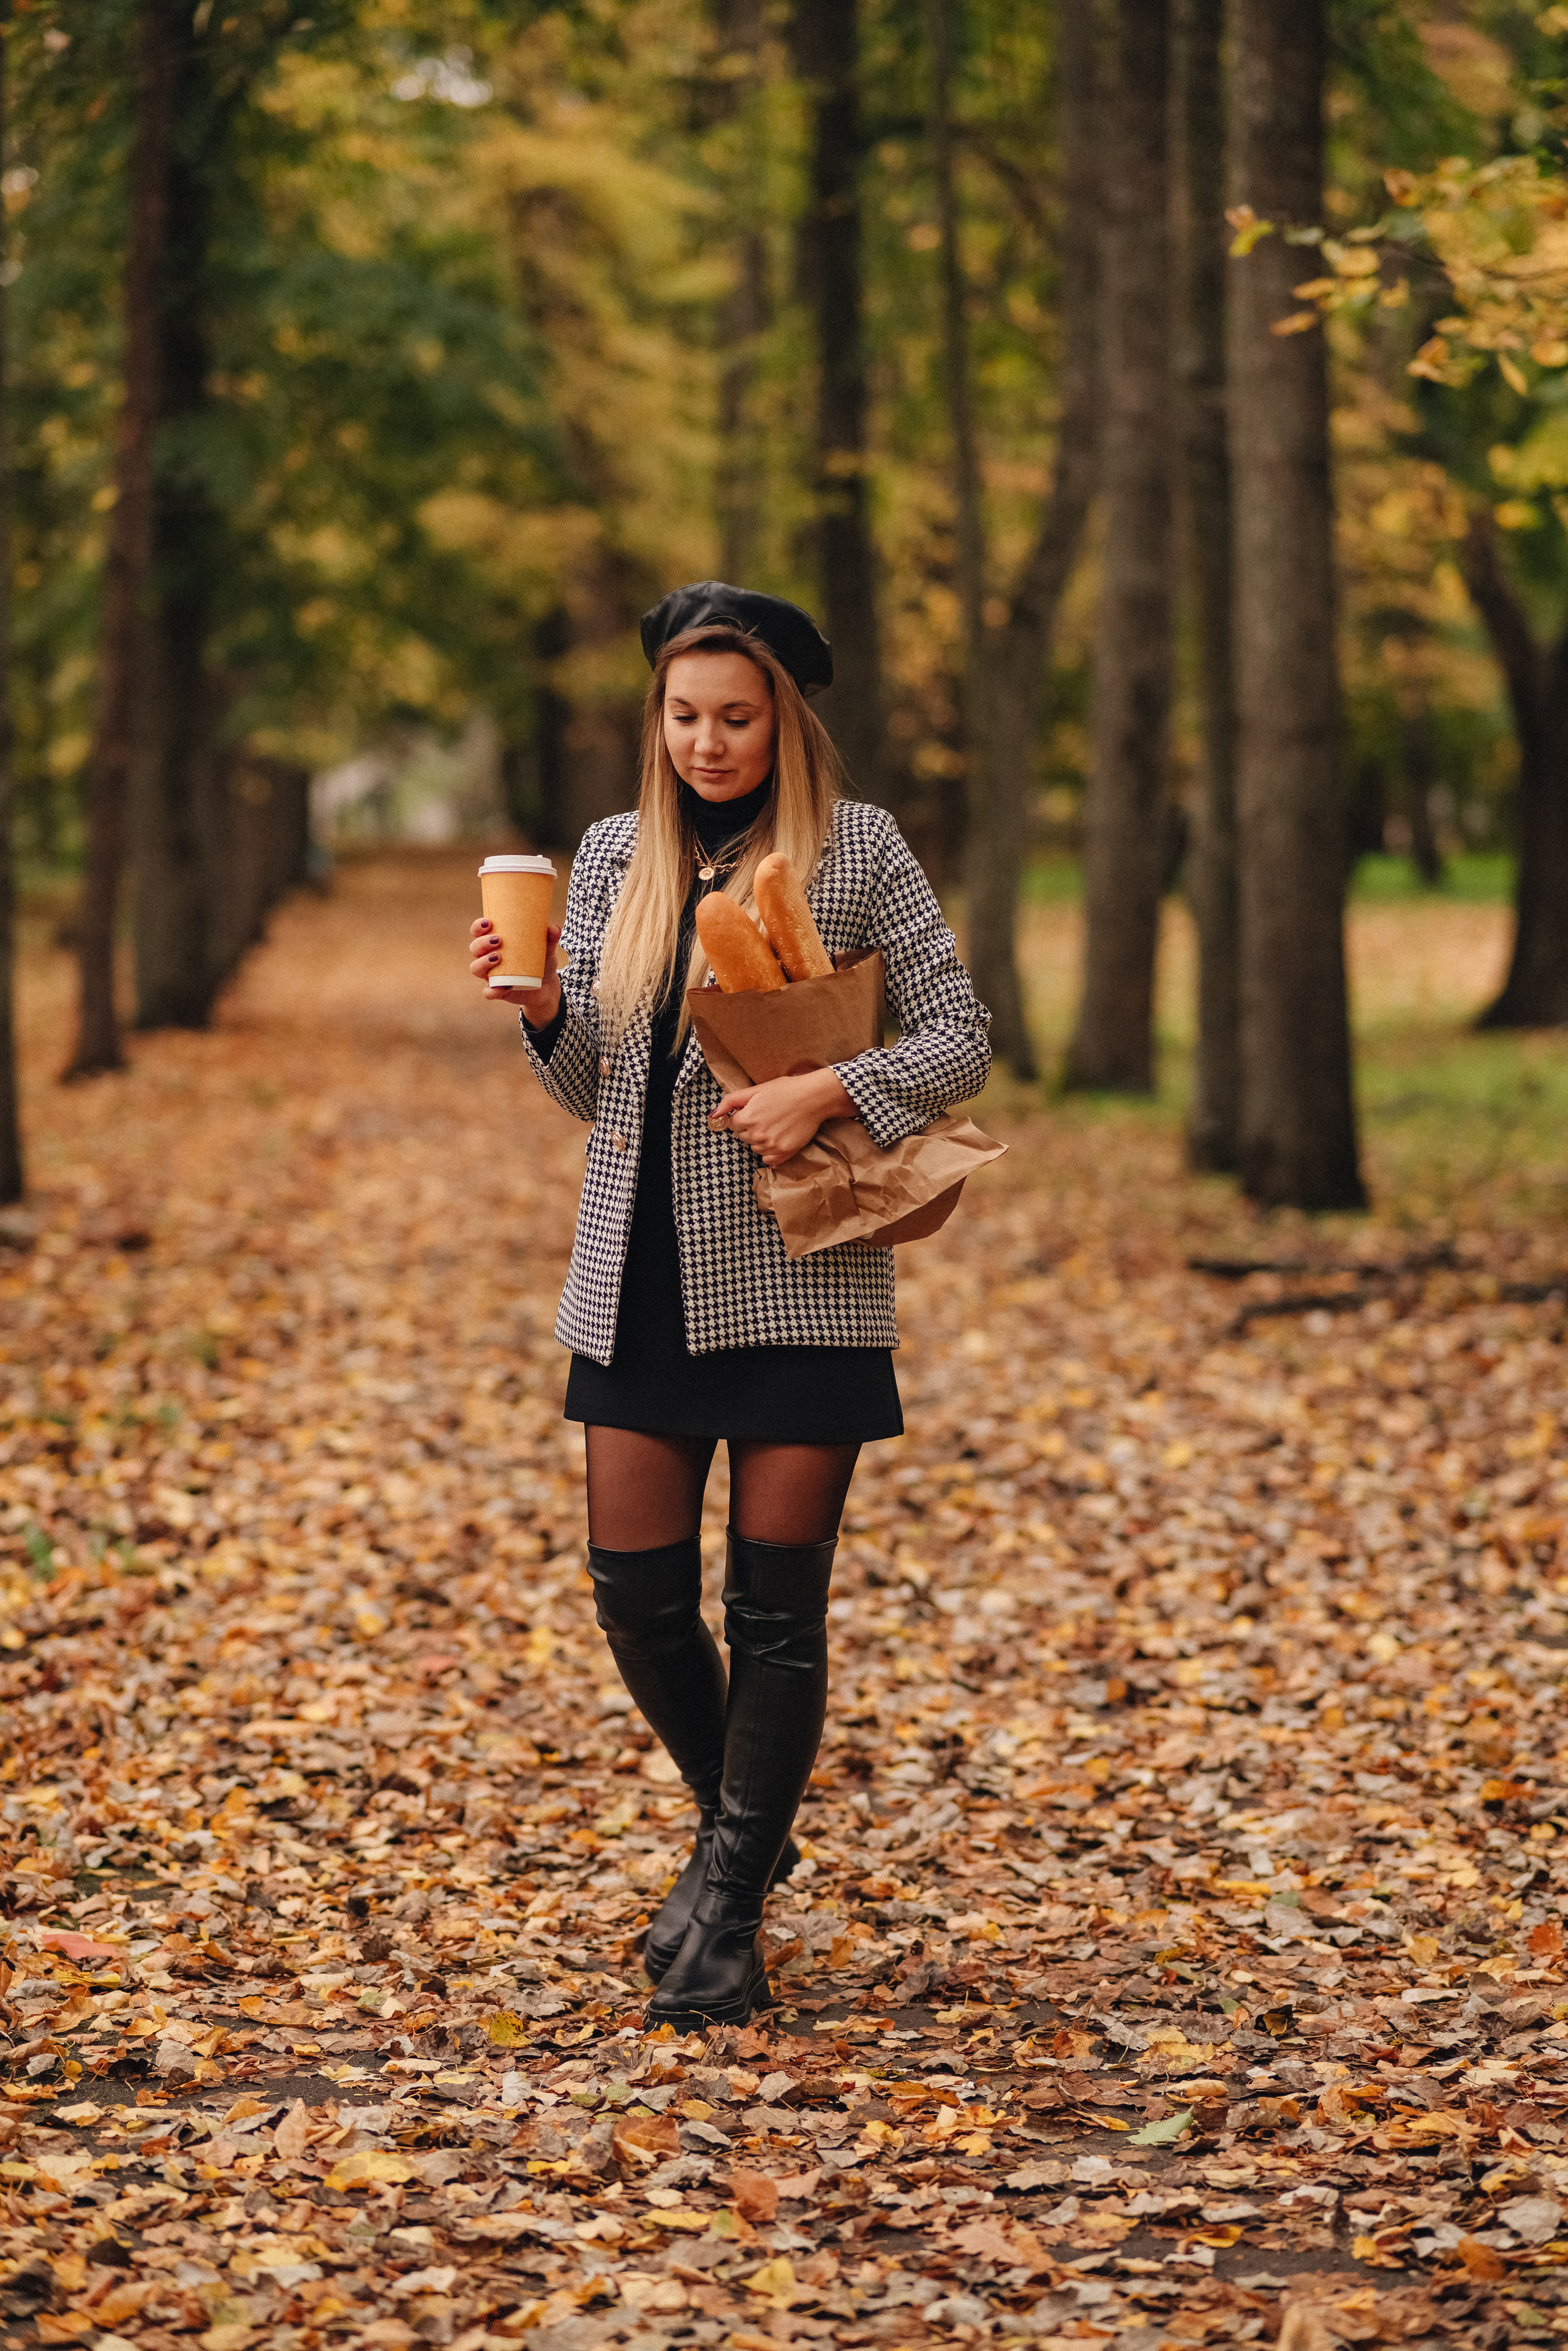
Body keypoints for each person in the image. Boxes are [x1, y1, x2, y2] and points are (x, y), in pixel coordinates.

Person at [469, 581, 991, 2026]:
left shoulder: (856, 849)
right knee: (634, 1596)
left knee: (774, 1611)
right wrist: (543, 1017)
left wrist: (834, 1083)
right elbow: (591, 1094)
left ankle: (724, 1910)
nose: (708, 742)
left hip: (797, 1270)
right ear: (659, 721)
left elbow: (960, 1032)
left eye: (736, 717)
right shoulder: (610, 857)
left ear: (784, 719)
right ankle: (743, 1834)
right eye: (685, 716)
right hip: (631, 1272)